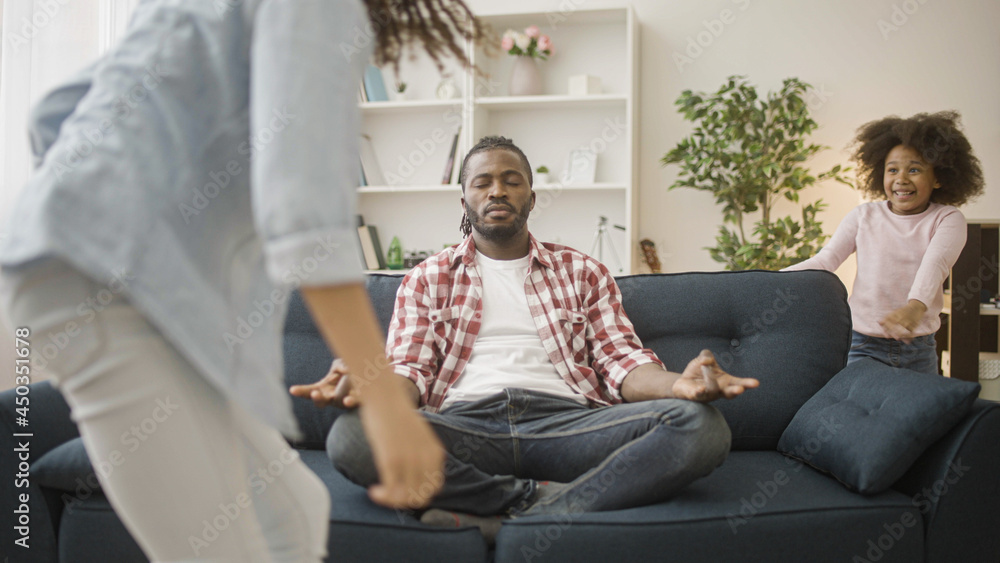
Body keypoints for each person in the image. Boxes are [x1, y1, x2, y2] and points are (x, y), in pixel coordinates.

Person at [0, 1, 488, 560]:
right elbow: (303, 211)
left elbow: (53, 113)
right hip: (105, 286)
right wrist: (384, 401)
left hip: (102, 271)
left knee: (292, 513)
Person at [291, 136, 760, 542]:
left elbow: (623, 363)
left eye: (512, 180)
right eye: (483, 182)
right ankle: (539, 505)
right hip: (464, 427)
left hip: (569, 427)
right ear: (465, 202)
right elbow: (409, 373)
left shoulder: (583, 271)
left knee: (702, 426)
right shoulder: (426, 278)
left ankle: (499, 518)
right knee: (352, 437)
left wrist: (679, 385)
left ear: (531, 198)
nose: (498, 189)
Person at [784, 111, 985, 374]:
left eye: (914, 169)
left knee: (919, 415)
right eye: (892, 170)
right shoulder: (863, 216)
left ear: (938, 177)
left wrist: (915, 307)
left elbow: (935, 264)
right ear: (880, 172)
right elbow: (826, 260)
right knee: (856, 412)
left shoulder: (947, 219)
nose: (901, 178)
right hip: (860, 345)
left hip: (918, 347)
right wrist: (770, 280)